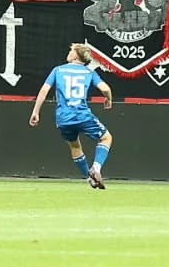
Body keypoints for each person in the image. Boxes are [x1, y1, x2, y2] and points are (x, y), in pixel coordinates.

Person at [29, 41, 114, 189]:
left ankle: (90, 178)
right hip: (82, 115)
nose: (69, 52)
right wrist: (109, 99)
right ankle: (96, 168)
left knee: (75, 146)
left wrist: (36, 111)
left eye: (71, 50)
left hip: (63, 118)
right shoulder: (89, 73)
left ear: (75, 56)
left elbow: (44, 90)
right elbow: (105, 88)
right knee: (106, 138)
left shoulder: (58, 70)